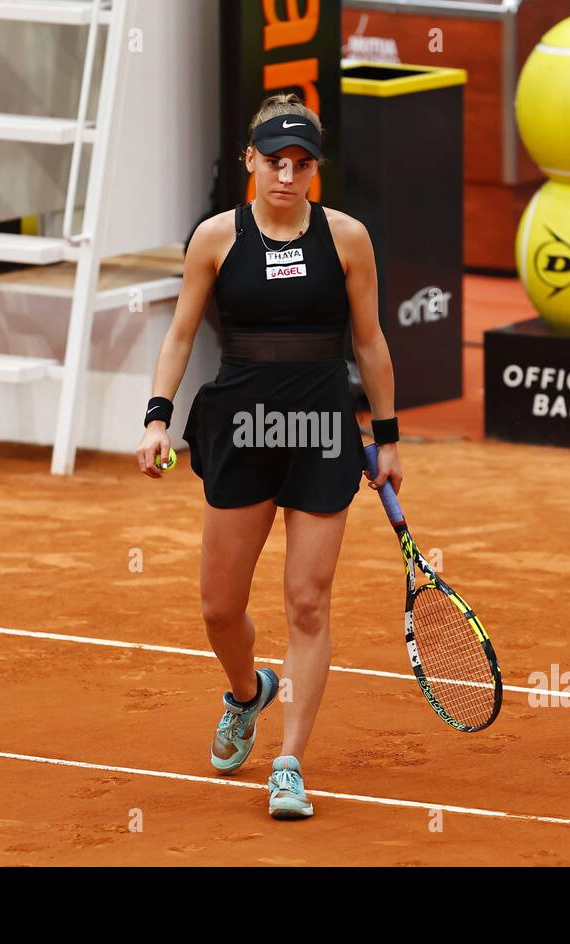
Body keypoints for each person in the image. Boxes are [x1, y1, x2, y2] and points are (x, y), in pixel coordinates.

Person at [136, 93, 402, 819]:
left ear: (315, 169)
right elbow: (181, 334)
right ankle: (249, 694)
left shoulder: (347, 238)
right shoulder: (215, 240)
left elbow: (371, 342)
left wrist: (387, 436)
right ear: (250, 160)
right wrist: (158, 419)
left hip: (321, 433)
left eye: (302, 163)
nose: (287, 175)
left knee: (308, 602)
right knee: (220, 610)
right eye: (274, 161)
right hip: (241, 432)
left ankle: (289, 763)